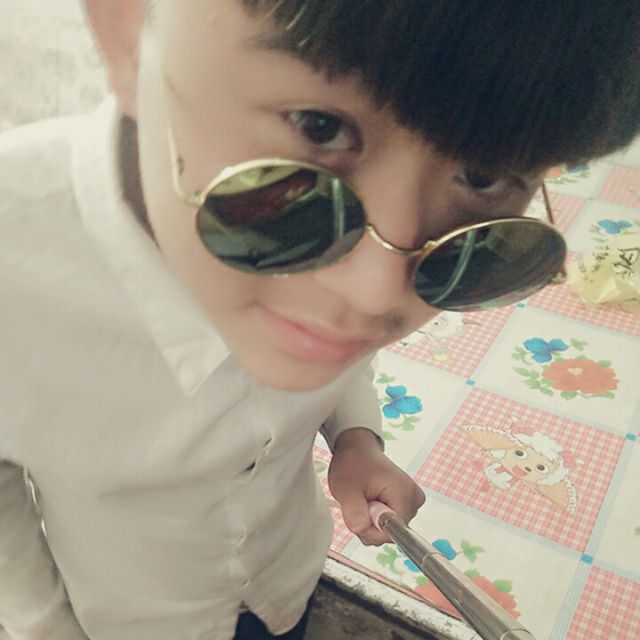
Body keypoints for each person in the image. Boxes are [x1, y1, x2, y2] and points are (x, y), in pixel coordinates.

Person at [0, 1, 638, 639]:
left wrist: (356, 437)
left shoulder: (363, 262)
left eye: (484, 174)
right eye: (318, 126)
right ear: (131, 32)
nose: (375, 296)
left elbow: (342, 342)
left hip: (288, 575)